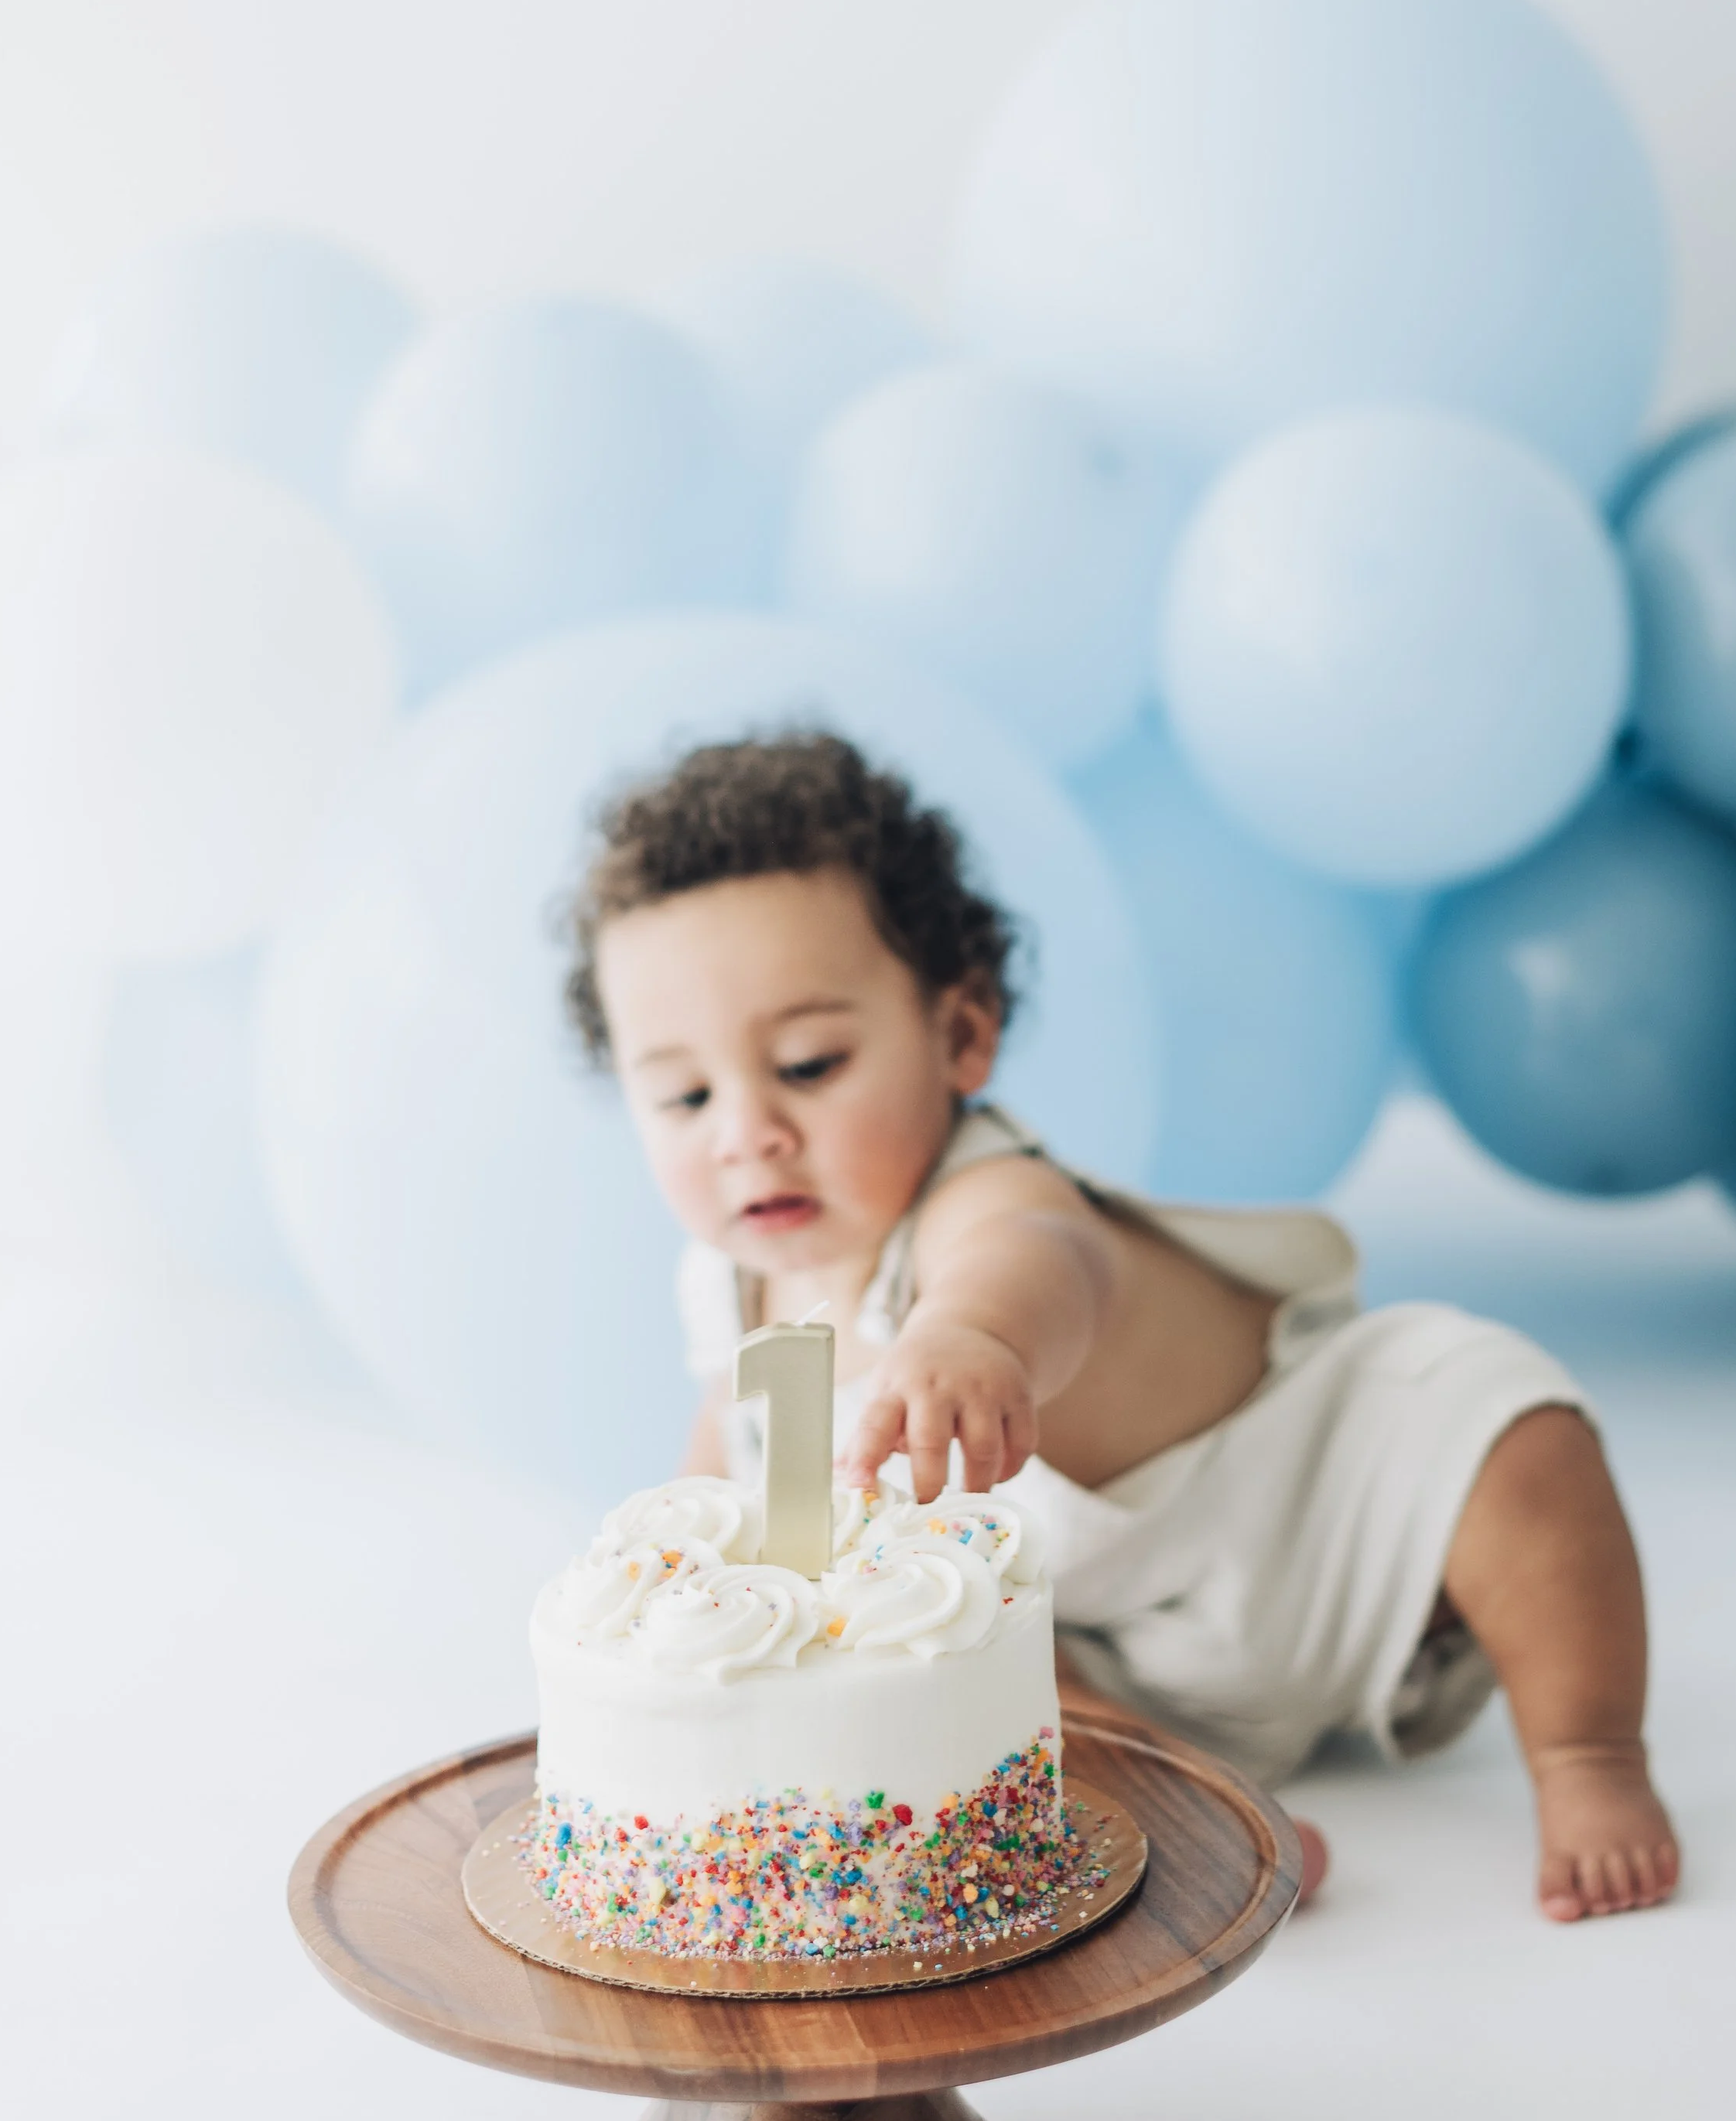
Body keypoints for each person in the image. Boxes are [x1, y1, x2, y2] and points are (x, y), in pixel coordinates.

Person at [560, 730, 1680, 1925]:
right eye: (684, 1094)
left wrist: (973, 1338)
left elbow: (1045, 1265)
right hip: (1131, 1640)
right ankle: (1208, 1797)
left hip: (1327, 1521)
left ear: (962, 1034)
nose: (746, 1131)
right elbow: (733, 1479)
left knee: (1514, 1435)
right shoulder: (732, 1291)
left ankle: (1590, 1756)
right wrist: (679, 1601)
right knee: (992, 1669)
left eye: (808, 1062)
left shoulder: (982, 1201)